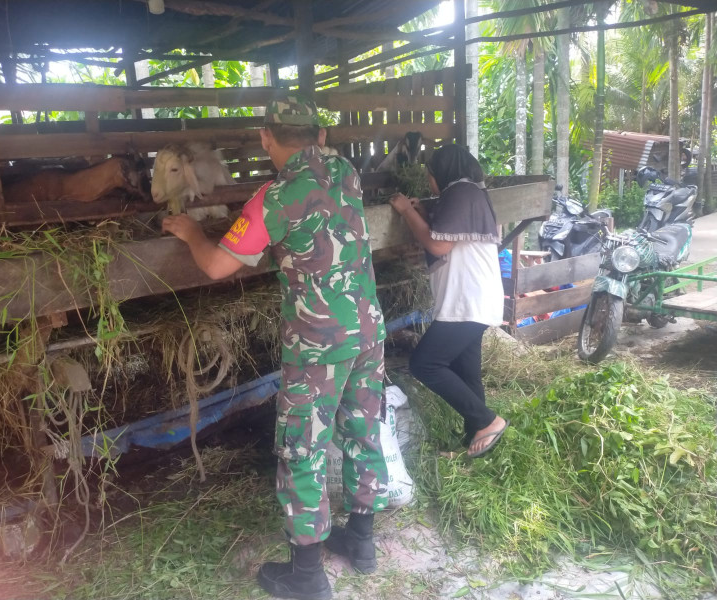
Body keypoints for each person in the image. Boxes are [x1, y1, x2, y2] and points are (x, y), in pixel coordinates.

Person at [162, 93, 389, 600]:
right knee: (362, 430)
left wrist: (193, 231)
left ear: (266, 139)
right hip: (368, 330)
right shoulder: (347, 171)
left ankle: (306, 575)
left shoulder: (275, 197)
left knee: (303, 449)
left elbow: (218, 265)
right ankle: (362, 542)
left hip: (317, 346)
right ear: (321, 136)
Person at [389, 144, 509, 459]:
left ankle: (487, 420)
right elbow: (448, 232)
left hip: (467, 300)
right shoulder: (468, 192)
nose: (430, 182)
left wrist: (405, 211)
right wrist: (424, 211)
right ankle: (476, 440)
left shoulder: (460, 193)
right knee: (467, 371)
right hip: (472, 298)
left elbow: (438, 244)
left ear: (440, 172)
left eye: (430, 175)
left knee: (424, 364)